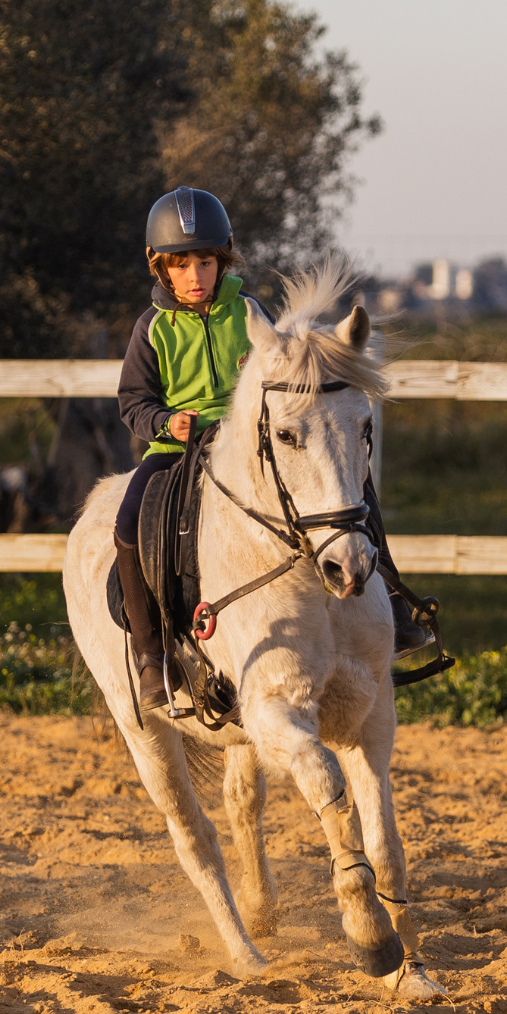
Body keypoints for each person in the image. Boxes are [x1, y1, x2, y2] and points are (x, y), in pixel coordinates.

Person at [114, 186, 427, 710]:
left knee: (356, 491)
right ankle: (153, 656)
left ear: (224, 258)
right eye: (182, 264)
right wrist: (169, 423)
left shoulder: (249, 314)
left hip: (249, 447)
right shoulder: (152, 329)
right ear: (161, 269)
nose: (196, 275)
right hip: (177, 450)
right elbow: (133, 402)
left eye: (207, 261)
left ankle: (392, 603)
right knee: (128, 525)